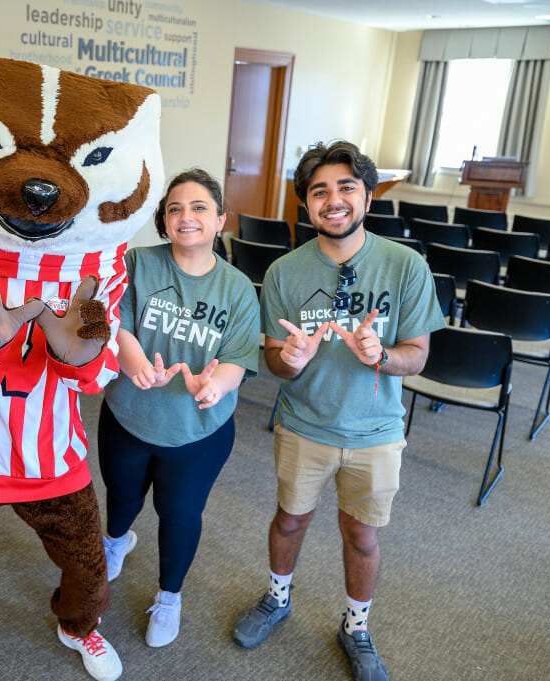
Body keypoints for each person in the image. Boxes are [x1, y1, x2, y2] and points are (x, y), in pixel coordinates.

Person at [231, 141, 444, 681]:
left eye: (346, 187)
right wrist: (291, 360)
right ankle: (278, 598)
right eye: (320, 191)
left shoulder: (406, 267)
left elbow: (417, 356)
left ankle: (355, 625)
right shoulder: (283, 273)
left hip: (375, 431)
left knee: (362, 535)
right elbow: (277, 365)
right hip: (304, 424)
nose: (334, 200)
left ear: (368, 197)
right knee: (290, 518)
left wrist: (383, 355)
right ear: (306, 206)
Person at [98, 169, 260, 647]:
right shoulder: (137, 263)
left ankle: (169, 597)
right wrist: (131, 360)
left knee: (180, 514)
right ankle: (116, 542)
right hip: (129, 415)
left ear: (220, 220)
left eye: (198, 208)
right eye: (174, 209)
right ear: (163, 221)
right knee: (122, 496)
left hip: (198, 431)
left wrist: (216, 385)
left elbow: (238, 357)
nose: (185, 216)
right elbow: (115, 322)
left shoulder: (236, 288)